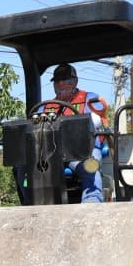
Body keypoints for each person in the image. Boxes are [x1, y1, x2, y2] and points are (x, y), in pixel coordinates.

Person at [48, 63, 110, 204]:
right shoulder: (47, 106)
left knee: (90, 165)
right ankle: (31, 203)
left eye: (66, 80)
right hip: (51, 153)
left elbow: (97, 119)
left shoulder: (90, 99)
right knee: (23, 167)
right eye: (58, 80)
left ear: (75, 81)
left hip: (81, 151)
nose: (61, 83)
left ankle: (92, 201)